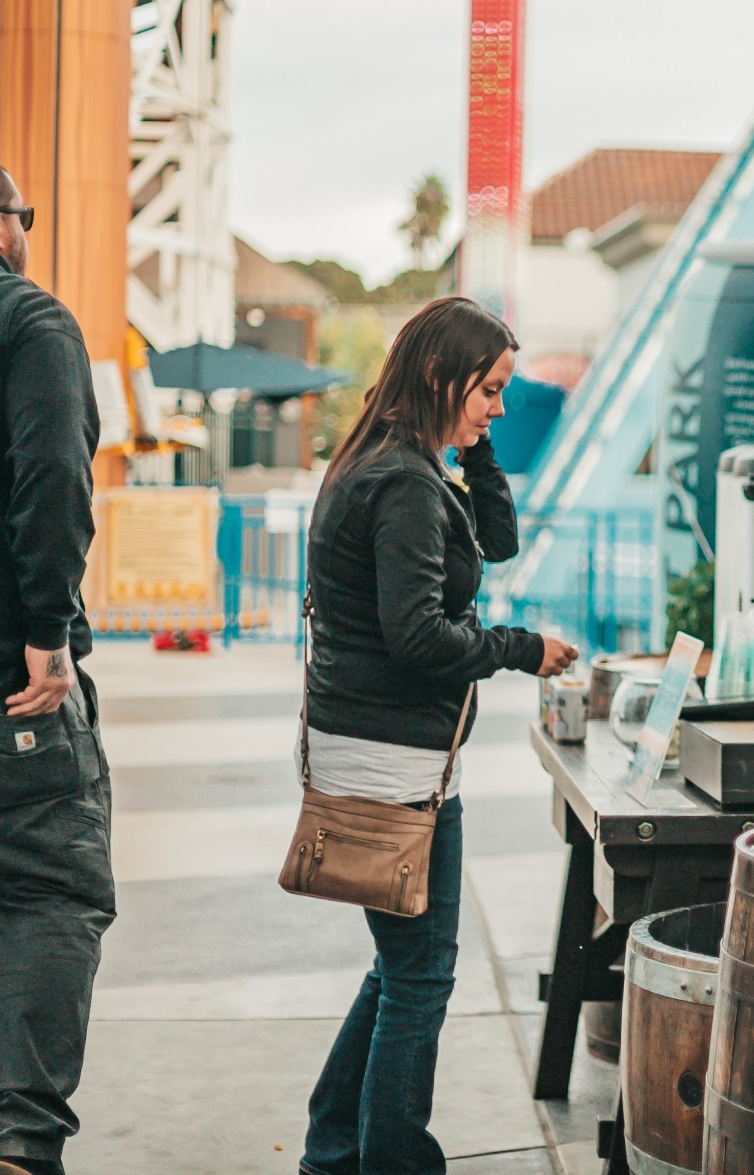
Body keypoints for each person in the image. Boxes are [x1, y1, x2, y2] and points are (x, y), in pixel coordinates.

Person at [297, 297, 575, 1175]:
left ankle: (335, 1149)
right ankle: (390, 1160)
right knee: (419, 979)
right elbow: (418, 637)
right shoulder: (404, 484)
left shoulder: (396, 463)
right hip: (394, 766)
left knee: (397, 968)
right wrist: (522, 650)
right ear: (436, 376)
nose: (498, 407)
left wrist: (476, 444)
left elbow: (494, 540)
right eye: (487, 391)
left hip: (372, 749)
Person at [0, 152, 116, 1175]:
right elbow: (52, 472)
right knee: (51, 896)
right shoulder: (21, 318)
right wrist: (48, 629)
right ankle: (17, 1146)